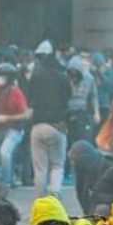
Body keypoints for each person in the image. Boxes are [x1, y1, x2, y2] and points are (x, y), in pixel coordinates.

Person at [28, 40, 72, 198]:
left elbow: (30, 99)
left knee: (40, 168)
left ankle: (40, 199)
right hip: (57, 127)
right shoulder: (62, 76)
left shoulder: (36, 76)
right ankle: (54, 192)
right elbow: (69, 98)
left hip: (38, 126)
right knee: (57, 165)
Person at [0, 63, 30, 195]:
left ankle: (6, 185)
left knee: (4, 153)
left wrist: (7, 118)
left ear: (9, 78)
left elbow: (26, 114)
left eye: (3, 76)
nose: (0, 78)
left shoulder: (16, 92)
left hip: (14, 129)